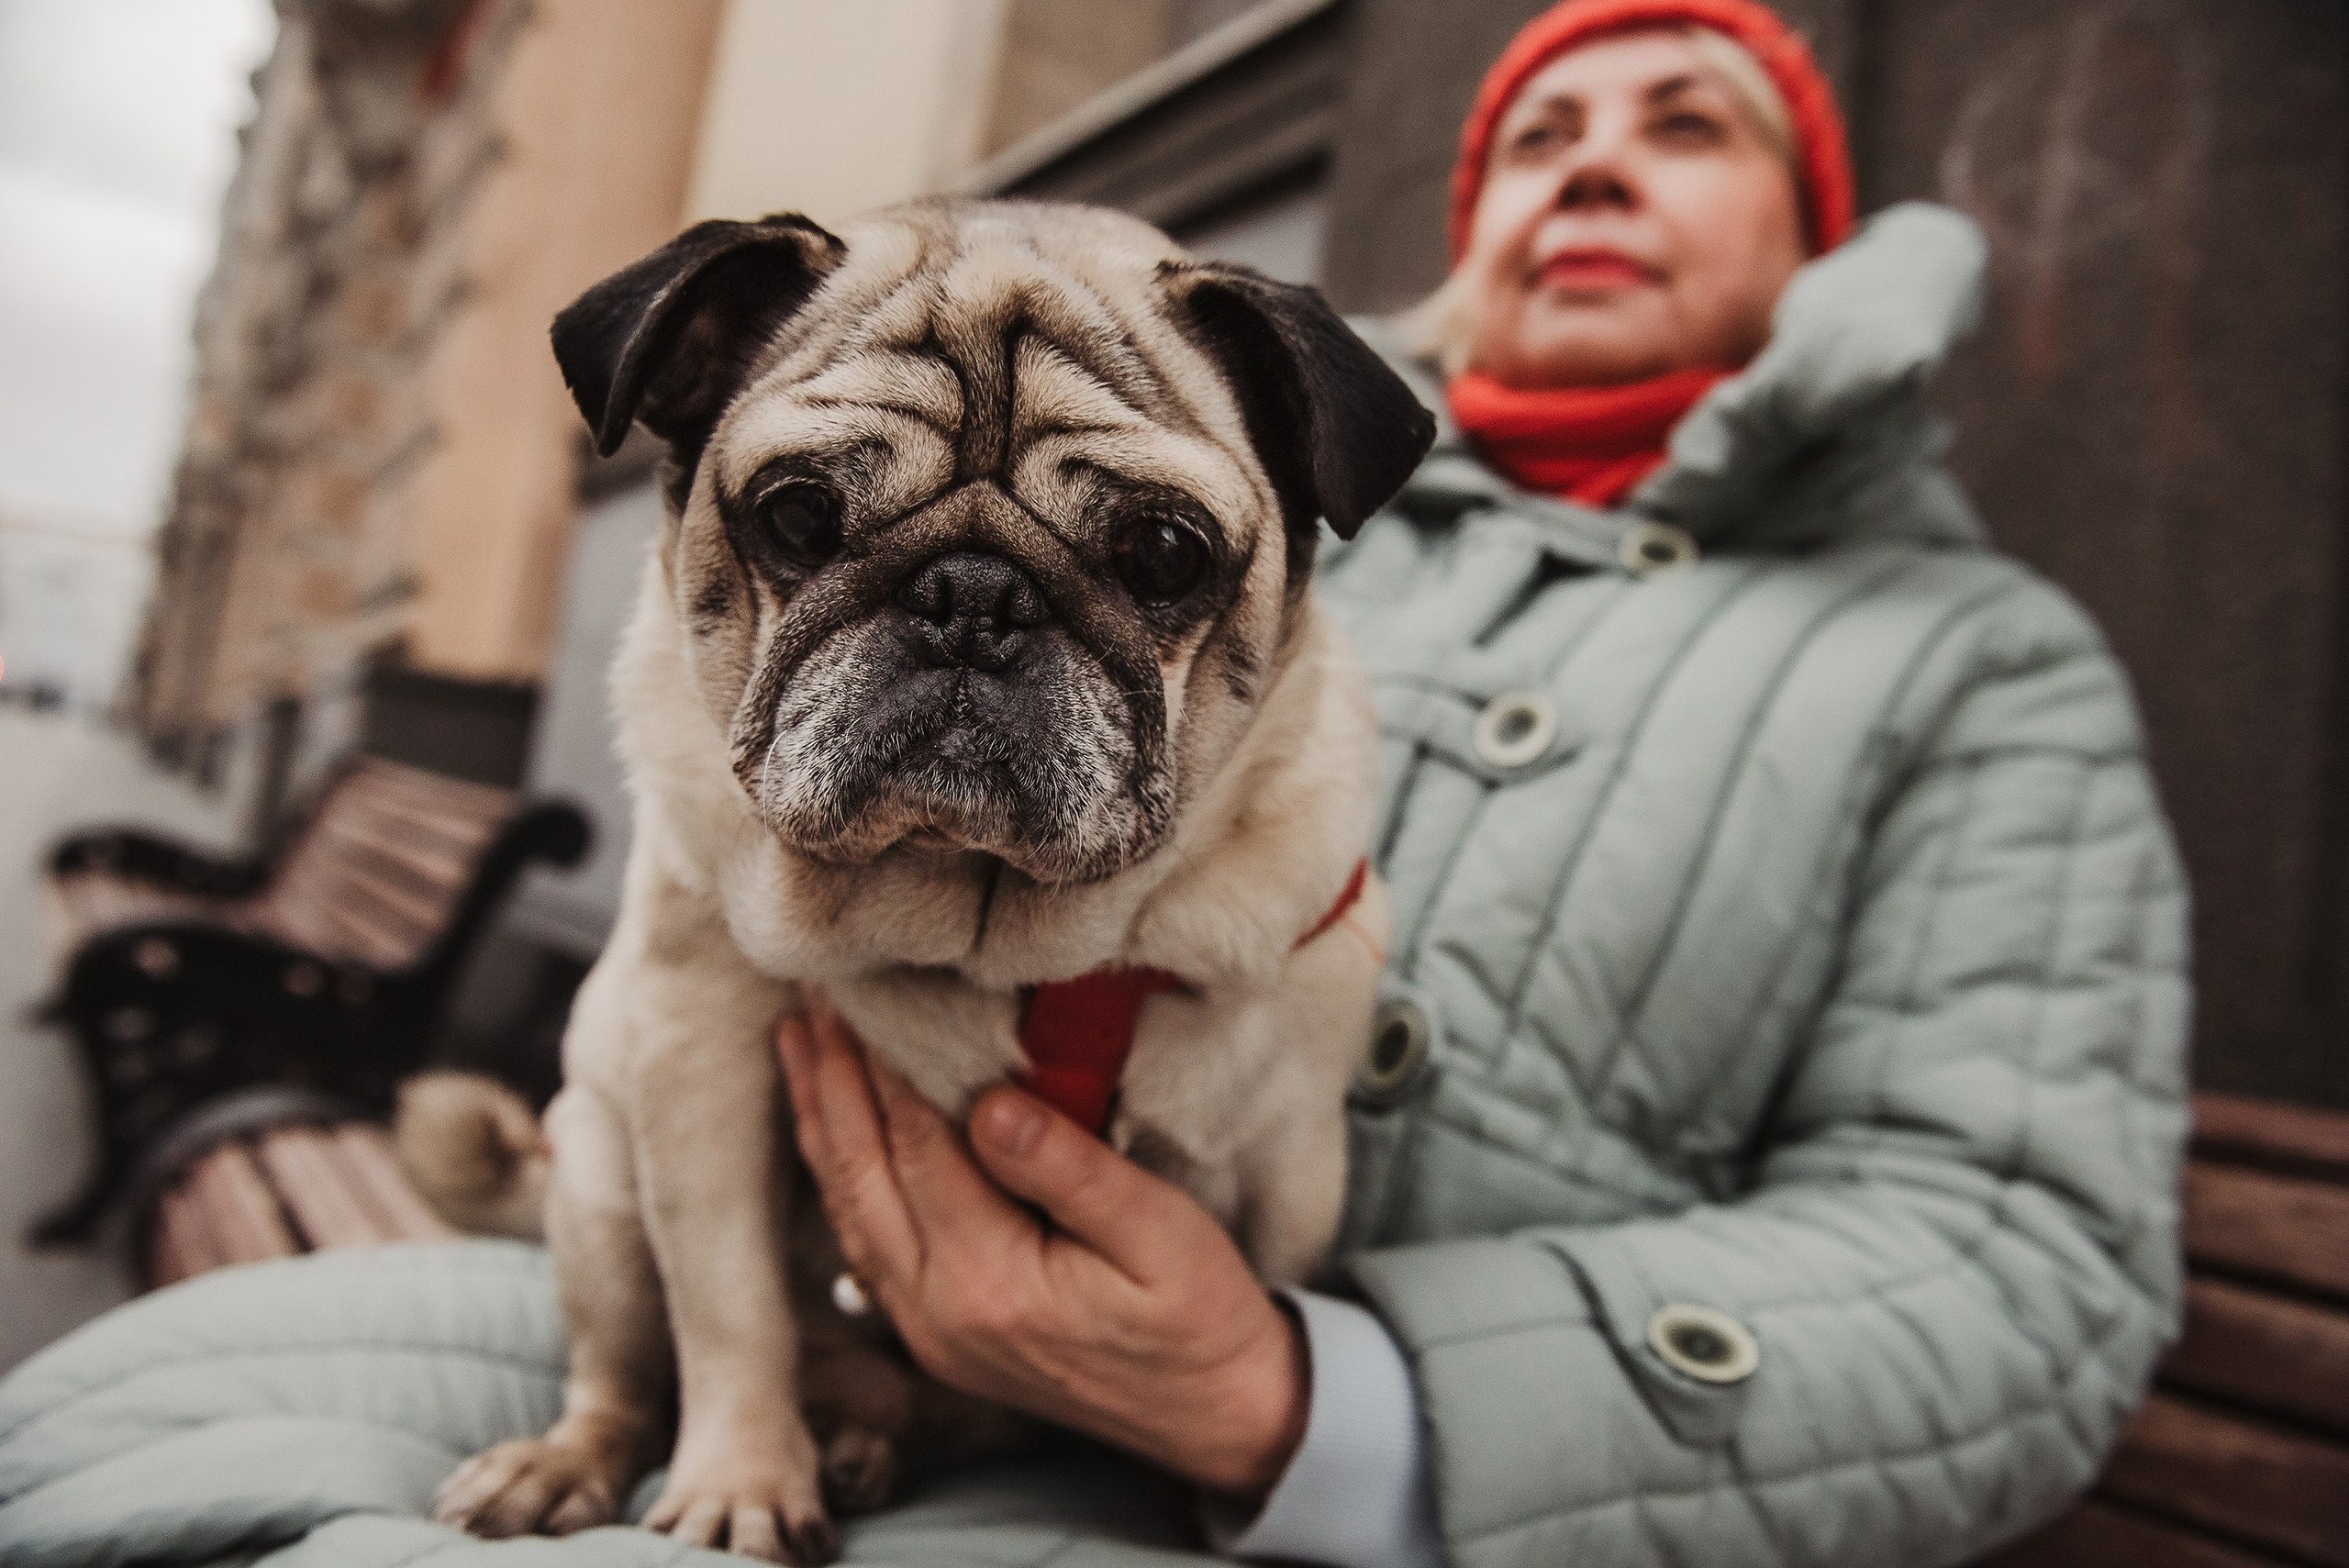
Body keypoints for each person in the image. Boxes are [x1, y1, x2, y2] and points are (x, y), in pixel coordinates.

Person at [0, 3, 2187, 1566]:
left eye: (1685, 120)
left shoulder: (1972, 663)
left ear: (1816, 234)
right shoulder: (1225, 406)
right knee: (104, 1438)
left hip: (1314, 1482)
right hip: (792, 1309)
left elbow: (2017, 1267)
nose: (1591, 156)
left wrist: (1299, 1407)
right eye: (1537, 129)